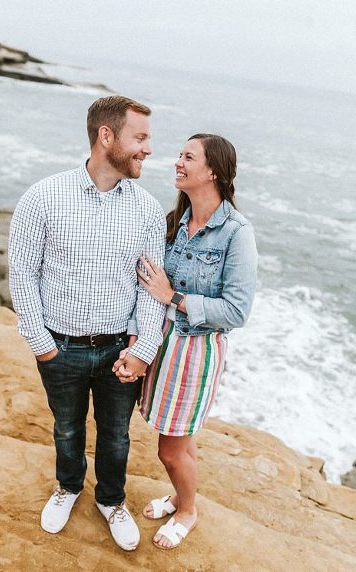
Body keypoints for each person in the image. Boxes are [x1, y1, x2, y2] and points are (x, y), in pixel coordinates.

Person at [8, 95, 166, 551]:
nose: (148, 149)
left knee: (116, 434)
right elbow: (22, 272)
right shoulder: (43, 197)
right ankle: (68, 486)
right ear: (106, 136)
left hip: (120, 347)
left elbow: (149, 288)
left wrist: (141, 350)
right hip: (60, 345)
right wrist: (41, 342)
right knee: (67, 427)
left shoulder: (148, 210)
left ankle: (112, 500)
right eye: (140, 138)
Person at [131, 133, 257, 549]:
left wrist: (174, 297)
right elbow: (148, 283)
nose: (177, 162)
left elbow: (237, 312)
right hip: (162, 341)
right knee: (179, 442)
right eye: (179, 155)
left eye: (188, 157)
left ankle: (188, 510)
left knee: (170, 449)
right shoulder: (175, 223)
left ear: (213, 171)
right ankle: (180, 496)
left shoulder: (236, 233)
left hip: (196, 350)